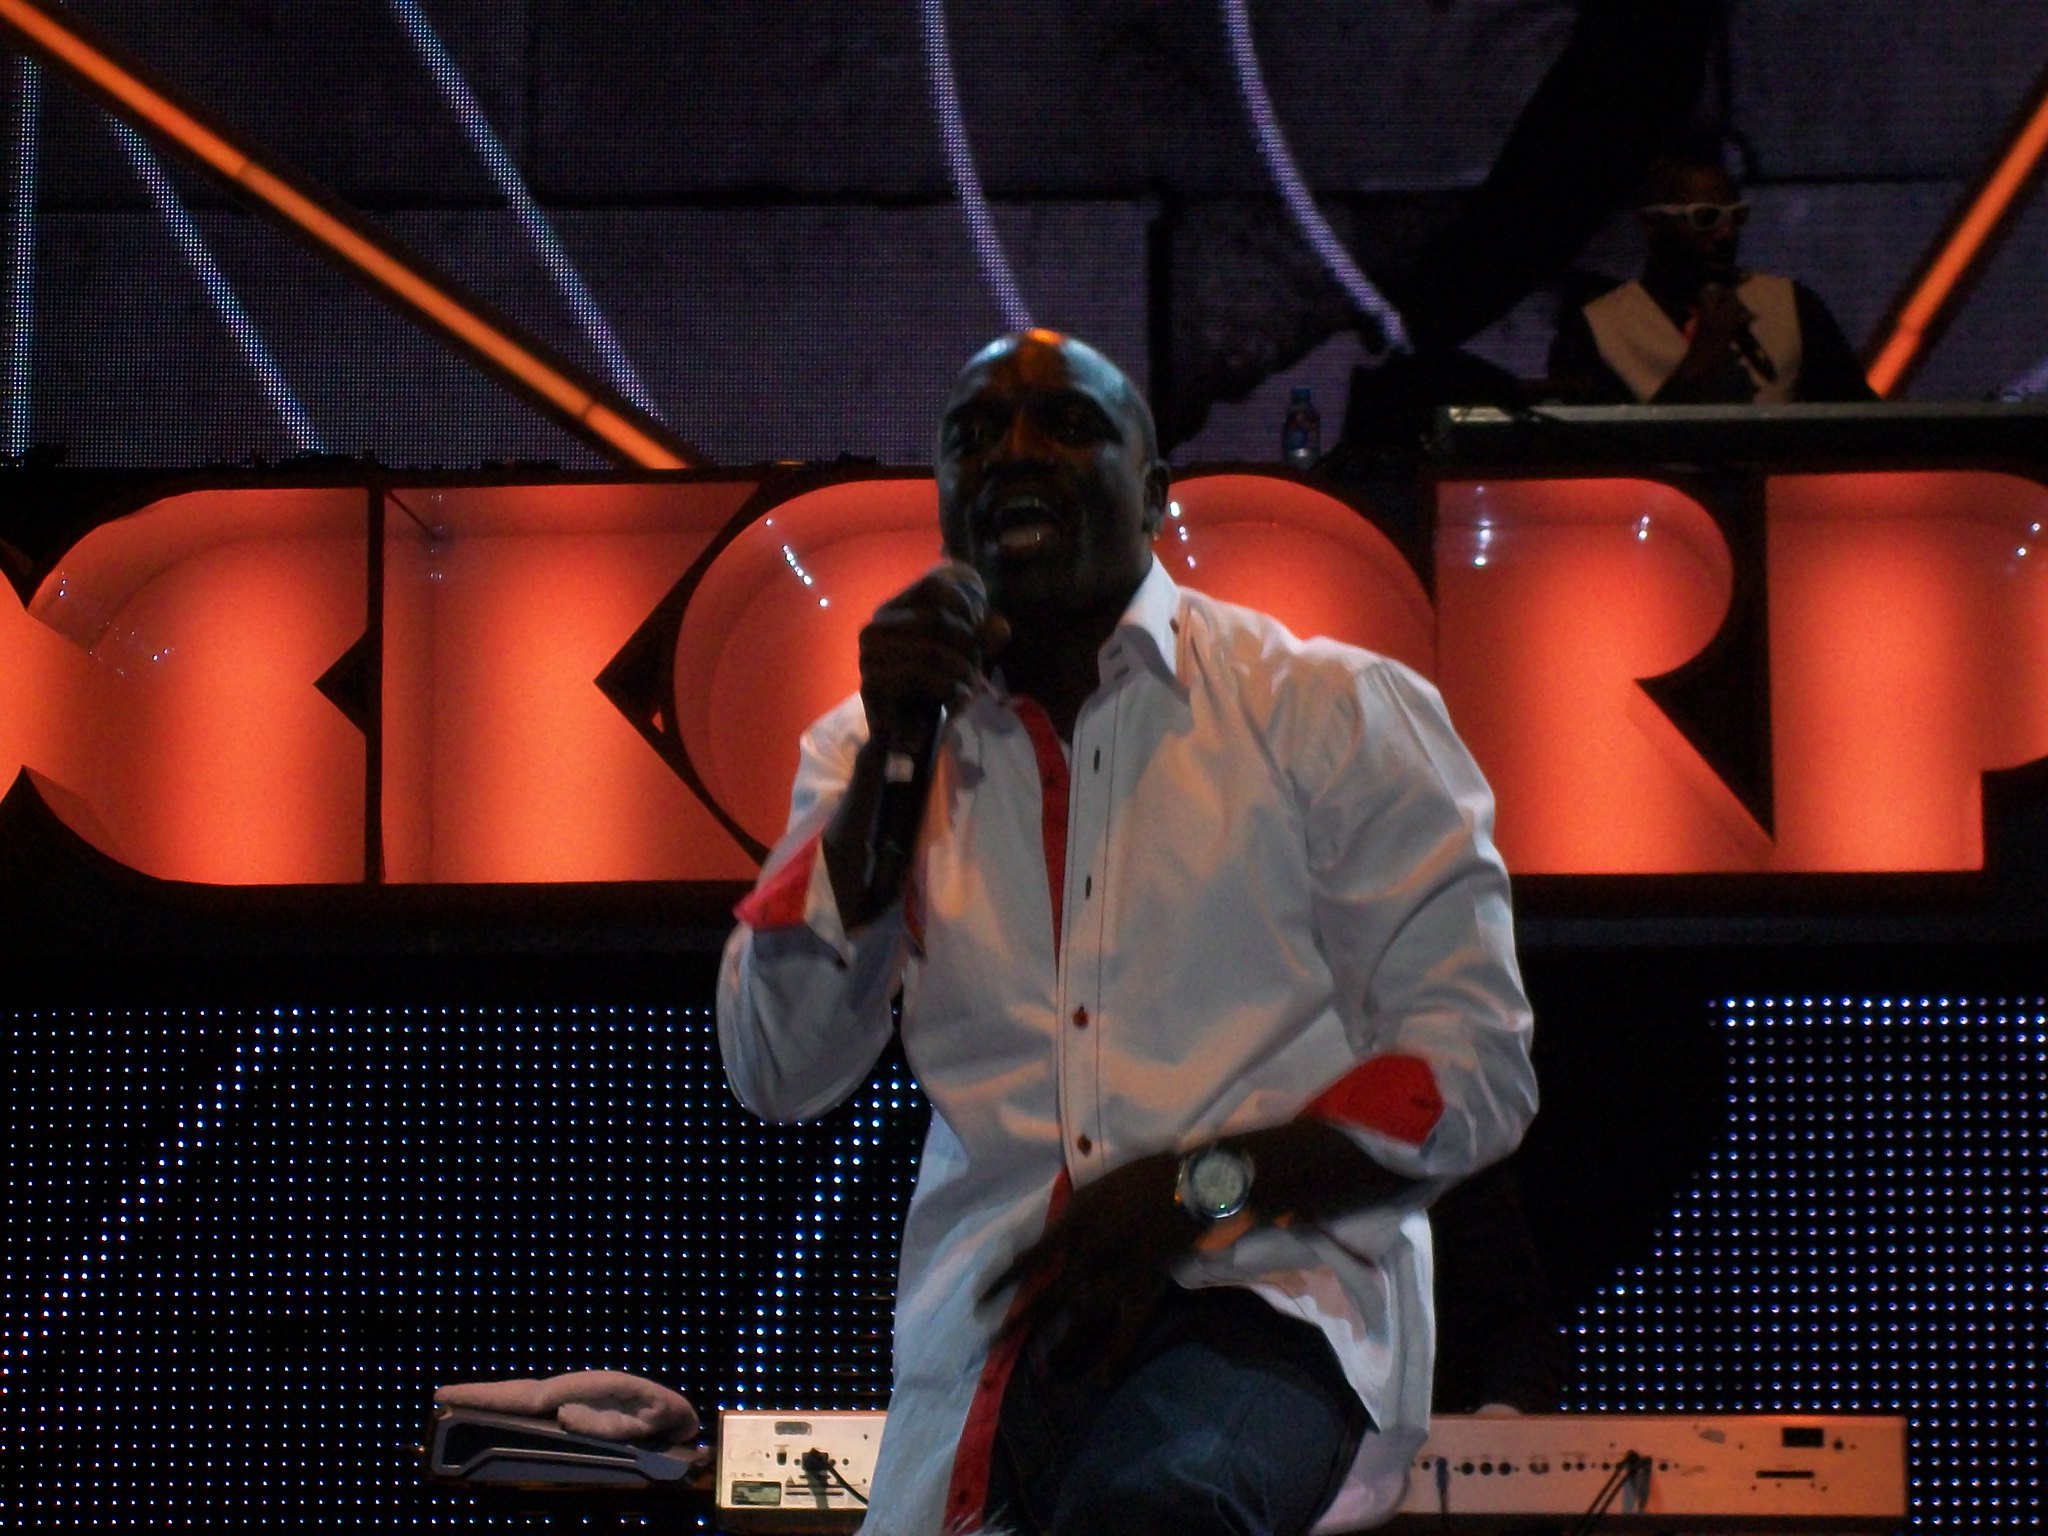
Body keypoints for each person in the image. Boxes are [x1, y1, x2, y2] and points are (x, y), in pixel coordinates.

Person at [717, 330, 1537, 1535]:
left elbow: (1471, 1068)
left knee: (1156, 1508)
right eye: (973, 437)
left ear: (1153, 494)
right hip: (986, 1346)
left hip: (1259, 1298)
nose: (1013, 455)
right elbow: (774, 1073)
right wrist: (885, 777)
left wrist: (1198, 1190)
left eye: (1066, 427)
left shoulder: (1322, 712)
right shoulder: (868, 747)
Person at [1547, 157, 1878, 404]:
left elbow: (1859, 422)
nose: (1726, 233)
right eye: (1705, 217)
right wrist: (1702, 356)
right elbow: (1611, 453)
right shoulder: (1593, 332)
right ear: (1651, 223)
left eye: (1737, 216)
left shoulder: (1792, 304)